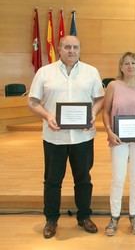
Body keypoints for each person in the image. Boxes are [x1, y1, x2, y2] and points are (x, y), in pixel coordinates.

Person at [28, 35, 104, 238]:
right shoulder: (44, 72)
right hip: (55, 138)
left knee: (83, 179)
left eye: (75, 47)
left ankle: (84, 216)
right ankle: (51, 220)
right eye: (67, 47)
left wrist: (93, 114)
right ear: (59, 49)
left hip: (83, 137)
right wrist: (47, 116)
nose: (72, 51)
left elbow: (99, 99)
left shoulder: (91, 72)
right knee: (53, 180)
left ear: (80, 49)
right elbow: (33, 101)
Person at [102, 52, 135, 236]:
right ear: (121, 67)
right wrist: (109, 131)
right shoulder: (113, 86)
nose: (130, 66)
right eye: (126, 63)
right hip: (118, 138)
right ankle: (114, 216)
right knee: (118, 177)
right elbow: (106, 111)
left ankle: (134, 215)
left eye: (133, 63)